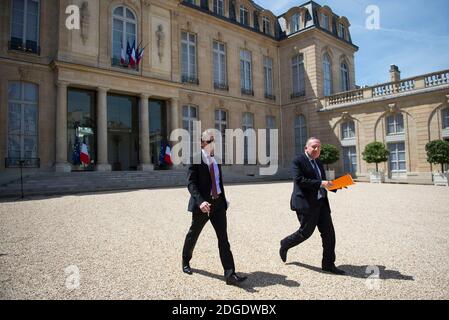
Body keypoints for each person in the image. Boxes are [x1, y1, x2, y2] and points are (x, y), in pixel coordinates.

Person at [182, 129, 247, 286]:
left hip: (218, 205)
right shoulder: (196, 159)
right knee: (193, 233)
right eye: (211, 141)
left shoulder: (216, 159)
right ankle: (185, 260)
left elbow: (218, 182)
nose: (214, 144)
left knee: (223, 239)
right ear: (202, 143)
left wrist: (223, 199)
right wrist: (200, 201)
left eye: (215, 141)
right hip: (203, 206)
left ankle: (230, 274)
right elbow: (191, 184)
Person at [279, 137, 346, 275]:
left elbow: (322, 182)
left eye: (319, 147)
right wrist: (322, 183)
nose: (317, 149)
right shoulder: (298, 161)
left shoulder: (318, 162)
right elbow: (300, 180)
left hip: (321, 203)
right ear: (306, 148)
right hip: (306, 204)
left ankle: (328, 264)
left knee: (329, 234)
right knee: (305, 233)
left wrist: (336, 185)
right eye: (314, 147)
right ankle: (285, 243)